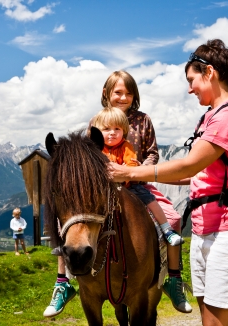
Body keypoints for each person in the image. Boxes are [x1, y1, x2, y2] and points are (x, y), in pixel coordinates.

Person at [108, 39, 228, 326]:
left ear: (210, 73)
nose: (190, 88)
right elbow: (196, 174)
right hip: (205, 231)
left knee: (215, 323)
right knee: (208, 321)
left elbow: (190, 164)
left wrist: (129, 173)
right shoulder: (209, 117)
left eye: (192, 80)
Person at [43, 70, 192, 318]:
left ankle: (173, 278)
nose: (124, 97)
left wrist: (136, 172)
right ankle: (63, 283)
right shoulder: (96, 121)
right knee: (66, 227)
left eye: (129, 92)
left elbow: (153, 153)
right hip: (102, 187)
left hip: (138, 182)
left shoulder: (143, 120)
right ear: (107, 94)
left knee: (173, 219)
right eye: (118, 92)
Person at [92, 106, 183, 246]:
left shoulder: (126, 146)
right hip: (103, 188)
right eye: (106, 129)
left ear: (124, 130)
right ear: (98, 132)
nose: (112, 133)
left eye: (117, 129)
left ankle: (167, 229)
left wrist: (125, 172)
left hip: (129, 186)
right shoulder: (96, 149)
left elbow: (132, 164)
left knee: (150, 199)